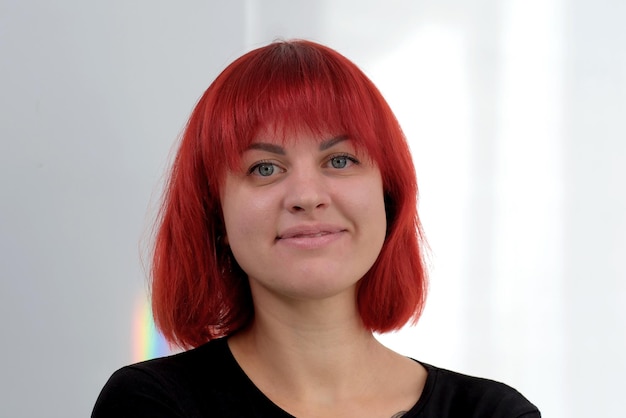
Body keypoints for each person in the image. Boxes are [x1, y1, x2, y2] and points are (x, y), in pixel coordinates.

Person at [92, 39, 540, 418]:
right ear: (216, 216)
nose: (307, 195)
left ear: (388, 196)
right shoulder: (152, 405)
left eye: (340, 160)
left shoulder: (492, 413)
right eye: (265, 168)